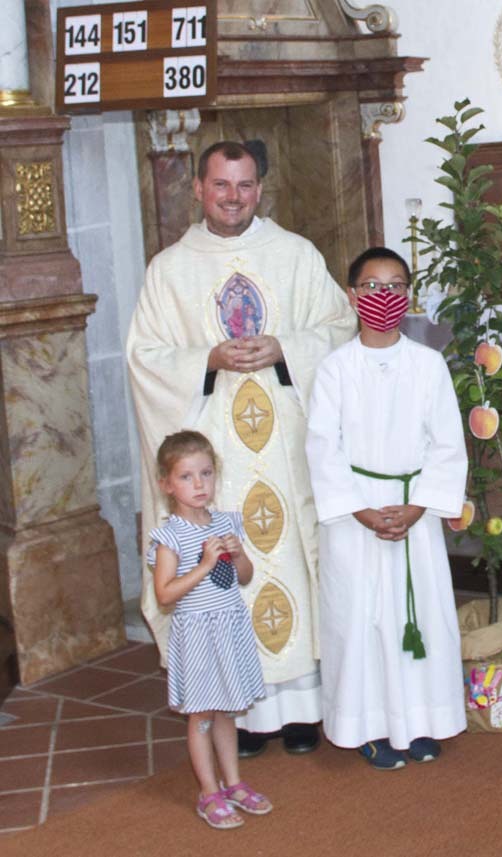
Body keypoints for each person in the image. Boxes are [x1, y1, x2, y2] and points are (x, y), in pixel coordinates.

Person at [127, 140, 358, 757]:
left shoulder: (296, 255)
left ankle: (303, 709)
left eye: (246, 185)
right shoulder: (169, 270)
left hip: (284, 447)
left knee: (292, 561)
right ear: (198, 190)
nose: (234, 197)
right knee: (229, 570)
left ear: (261, 190)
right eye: (222, 185)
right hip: (217, 454)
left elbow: (340, 327)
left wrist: (285, 349)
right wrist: (206, 358)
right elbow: (143, 358)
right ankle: (244, 714)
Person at [305, 247, 468, 768]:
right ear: (353, 296)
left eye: (396, 286)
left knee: (417, 619)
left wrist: (418, 506)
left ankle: (419, 722)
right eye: (372, 286)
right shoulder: (335, 369)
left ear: (408, 295)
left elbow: (447, 444)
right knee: (359, 621)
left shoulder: (428, 365)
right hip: (356, 519)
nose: (384, 296)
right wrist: (359, 509)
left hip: (412, 510)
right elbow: (322, 447)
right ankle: (368, 727)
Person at [148, 430, 272, 830]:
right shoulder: (169, 537)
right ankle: (208, 792)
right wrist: (203, 565)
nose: (199, 484)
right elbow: (165, 594)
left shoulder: (225, 522)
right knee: (201, 714)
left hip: (228, 628)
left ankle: (233, 783)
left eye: (206, 473)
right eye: (186, 477)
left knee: (226, 710)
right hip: (198, 636)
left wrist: (238, 554)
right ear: (167, 485)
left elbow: (244, 576)